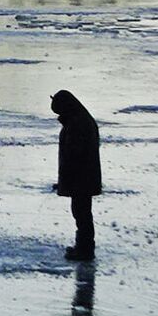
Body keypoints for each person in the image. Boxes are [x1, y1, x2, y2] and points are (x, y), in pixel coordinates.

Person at [51, 90, 103, 261]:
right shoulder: (79, 120)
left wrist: (66, 177)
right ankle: (84, 246)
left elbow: (74, 154)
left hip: (81, 177)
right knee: (81, 212)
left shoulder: (77, 123)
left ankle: (85, 249)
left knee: (82, 213)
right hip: (83, 176)